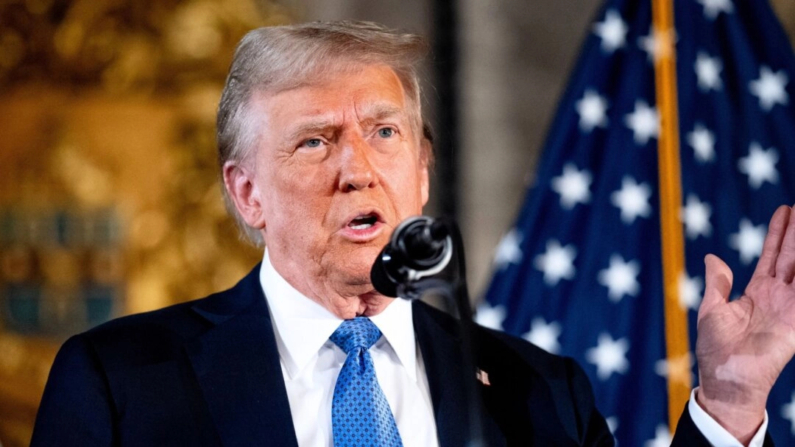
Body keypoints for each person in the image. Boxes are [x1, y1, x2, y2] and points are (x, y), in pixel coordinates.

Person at [30, 21, 794, 446]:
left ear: (422, 170)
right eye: (315, 141)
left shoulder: (536, 392)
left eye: (384, 132)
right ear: (246, 191)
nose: (358, 169)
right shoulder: (122, 382)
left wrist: (729, 403)